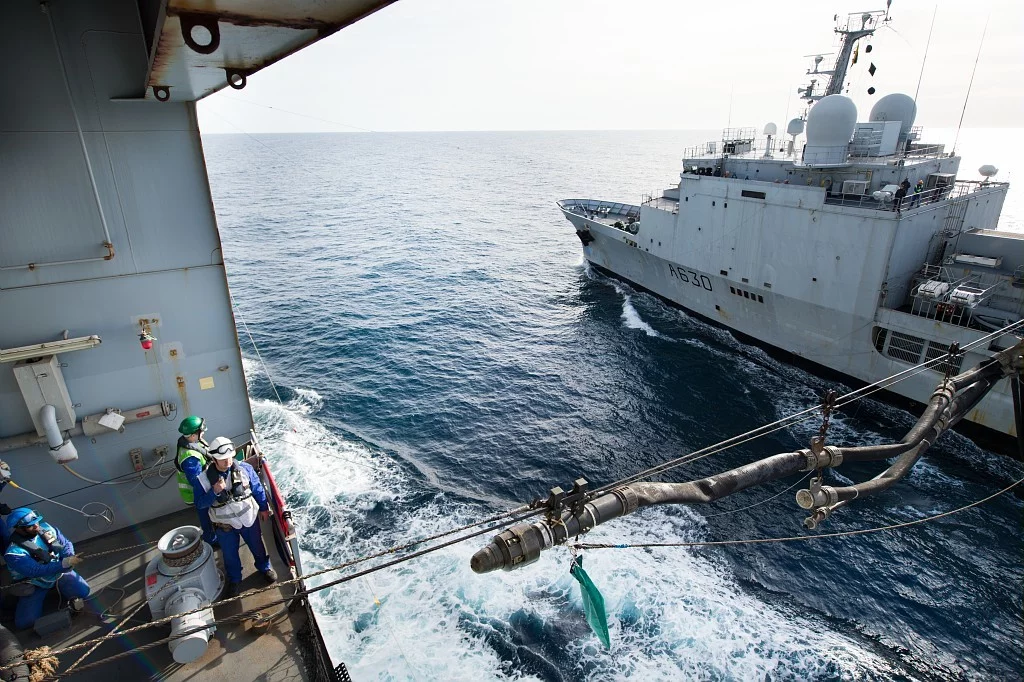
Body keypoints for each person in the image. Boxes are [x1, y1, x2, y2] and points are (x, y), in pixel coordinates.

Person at [193, 437, 276, 599]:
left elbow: (257, 488)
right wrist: (214, 492)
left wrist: (264, 508)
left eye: (230, 457)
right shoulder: (202, 481)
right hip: (225, 527)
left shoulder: (244, 469)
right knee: (230, 555)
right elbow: (200, 504)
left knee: (258, 547)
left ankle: (264, 567)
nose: (228, 461)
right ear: (214, 458)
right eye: (223, 459)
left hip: (249, 520)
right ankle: (235, 580)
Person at [4, 508, 89, 630]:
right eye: (30, 526)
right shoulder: (14, 553)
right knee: (26, 623)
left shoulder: (48, 529)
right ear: (18, 528)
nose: (36, 526)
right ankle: (12, 602)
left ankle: (56, 588)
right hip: (36, 583)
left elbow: (65, 544)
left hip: (57, 574)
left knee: (83, 592)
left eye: (36, 522)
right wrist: (63, 564)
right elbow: (35, 571)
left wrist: (69, 556)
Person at [174, 415, 217, 546]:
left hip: (201, 488)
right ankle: (211, 540)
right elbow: (197, 482)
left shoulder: (192, 443)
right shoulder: (190, 458)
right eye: (201, 431)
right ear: (193, 435)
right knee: (206, 516)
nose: (203, 433)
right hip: (197, 493)